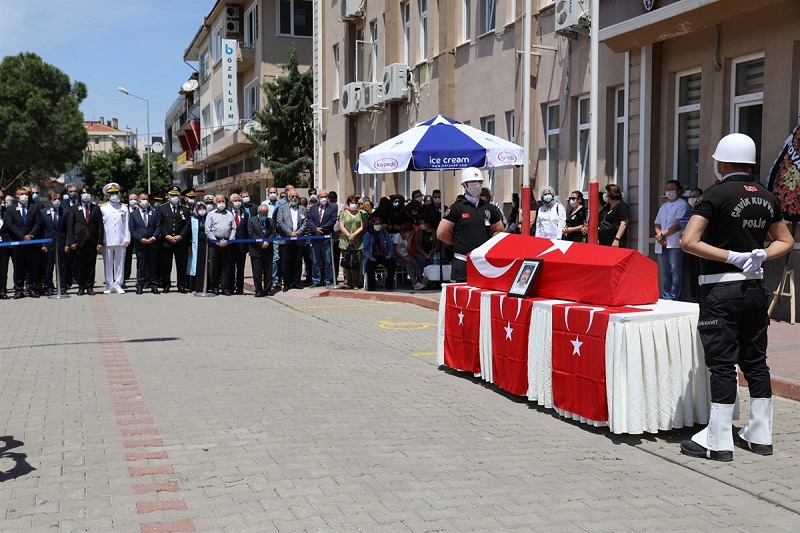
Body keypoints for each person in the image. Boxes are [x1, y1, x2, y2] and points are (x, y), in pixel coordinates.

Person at [679, 133, 794, 462]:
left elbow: (689, 240)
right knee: (756, 362)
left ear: (723, 162)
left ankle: (718, 440)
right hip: (755, 289)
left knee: (722, 364)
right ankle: (760, 434)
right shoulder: (767, 197)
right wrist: (760, 254)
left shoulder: (715, 195)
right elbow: (785, 240)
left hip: (721, 288)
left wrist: (730, 255)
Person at [437, 168, 504, 282]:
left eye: (479, 182)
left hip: (483, 261)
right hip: (462, 262)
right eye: (472, 182)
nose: (477, 185)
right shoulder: (457, 207)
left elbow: (499, 229)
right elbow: (441, 232)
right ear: (464, 184)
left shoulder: (488, 208)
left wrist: (489, 245)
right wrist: (454, 243)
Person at [653, 180, 689, 300]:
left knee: (675, 271)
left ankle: (673, 297)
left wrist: (663, 235)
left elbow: (678, 224)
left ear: (678, 191)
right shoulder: (664, 206)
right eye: (667, 189)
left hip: (674, 242)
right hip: (661, 242)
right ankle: (665, 295)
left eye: (672, 189)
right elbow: (657, 223)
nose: (669, 192)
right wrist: (659, 236)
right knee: (665, 272)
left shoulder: (682, 204)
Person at [67, 185, 104, 295]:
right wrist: (72, 242)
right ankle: (81, 286)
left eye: (87, 193)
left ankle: (89, 286)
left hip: (92, 241)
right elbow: (70, 226)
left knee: (91, 265)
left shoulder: (96, 208)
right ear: (80, 195)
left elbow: (100, 226)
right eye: (83, 193)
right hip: (79, 241)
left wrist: (99, 242)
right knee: (80, 265)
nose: (85, 195)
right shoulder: (74, 208)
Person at [6, 188, 42, 298]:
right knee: (18, 268)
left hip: (31, 242)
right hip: (17, 243)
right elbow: (10, 225)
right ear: (16, 196)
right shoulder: (10, 209)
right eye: (22, 194)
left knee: (32, 267)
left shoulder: (34, 207)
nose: (24, 196)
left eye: (26, 194)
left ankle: (32, 288)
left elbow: (38, 223)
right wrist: (22, 236)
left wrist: (30, 235)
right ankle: (18, 290)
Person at [158, 186, 191, 293]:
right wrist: (166, 236)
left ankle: (181, 284)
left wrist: (180, 236)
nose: (175, 197)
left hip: (180, 241)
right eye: (173, 195)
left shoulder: (184, 209)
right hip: (167, 241)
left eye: (176, 195)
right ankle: (166, 285)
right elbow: (160, 224)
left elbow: (187, 225)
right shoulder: (162, 208)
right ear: (168, 197)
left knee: (181, 264)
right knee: (166, 264)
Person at [99, 183, 131, 294]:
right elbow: (100, 226)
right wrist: (100, 240)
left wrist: (128, 238)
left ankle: (118, 284)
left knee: (120, 263)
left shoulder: (124, 208)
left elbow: (127, 224)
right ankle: (109, 285)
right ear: (107, 195)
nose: (114, 195)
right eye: (111, 194)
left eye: (116, 193)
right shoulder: (102, 208)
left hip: (121, 239)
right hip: (107, 239)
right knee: (108, 263)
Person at [274, 188, 307, 291]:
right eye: (292, 196)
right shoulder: (282, 208)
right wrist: (290, 233)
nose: (294, 198)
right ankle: (287, 283)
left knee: (297, 262)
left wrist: (297, 233)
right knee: (285, 262)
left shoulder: (302, 209)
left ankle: (296, 282)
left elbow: (305, 223)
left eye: (296, 196)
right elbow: (280, 222)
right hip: (286, 240)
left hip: (298, 239)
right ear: (288, 197)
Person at [129, 193, 161, 294]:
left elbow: (158, 227)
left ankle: (153, 285)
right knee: (141, 265)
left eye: (147, 199)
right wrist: (140, 238)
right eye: (143, 199)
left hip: (152, 243)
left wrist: (154, 237)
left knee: (153, 265)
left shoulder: (154, 212)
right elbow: (132, 229)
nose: (145, 201)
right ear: (138, 201)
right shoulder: (133, 214)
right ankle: (140, 285)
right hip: (140, 244)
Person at [205, 194, 236, 295]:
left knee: (226, 266)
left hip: (227, 242)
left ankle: (225, 287)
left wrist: (230, 240)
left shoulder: (230, 214)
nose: (221, 203)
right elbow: (208, 229)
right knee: (214, 266)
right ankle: (214, 287)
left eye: (223, 201)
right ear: (215, 203)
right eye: (219, 201)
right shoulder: (211, 214)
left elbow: (233, 228)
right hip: (214, 243)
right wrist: (216, 241)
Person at [306, 188, 337, 287]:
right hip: (315, 237)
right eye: (321, 197)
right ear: (318, 198)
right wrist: (315, 229)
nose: (324, 198)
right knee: (315, 260)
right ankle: (316, 280)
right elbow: (309, 219)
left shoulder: (333, 207)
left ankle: (328, 279)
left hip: (326, 238)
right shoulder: (313, 208)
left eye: (325, 197)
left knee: (327, 260)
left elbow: (332, 220)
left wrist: (322, 229)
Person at [40, 193, 68, 295]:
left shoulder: (65, 212)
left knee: (62, 266)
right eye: (54, 199)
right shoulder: (43, 212)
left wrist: (67, 244)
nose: (57, 200)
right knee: (48, 266)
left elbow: (67, 229)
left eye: (58, 199)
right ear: (50, 200)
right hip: (48, 243)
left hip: (61, 242)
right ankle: (49, 286)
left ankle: (62, 286)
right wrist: (43, 244)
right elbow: (41, 230)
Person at [363, 215, 396, 291]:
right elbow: (365, 249)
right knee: (370, 266)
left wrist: (389, 254)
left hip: (383, 255)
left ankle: (389, 283)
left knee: (392, 264)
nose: (378, 225)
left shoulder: (384, 232)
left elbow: (389, 244)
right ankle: (371, 285)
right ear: (372, 224)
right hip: (373, 255)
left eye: (379, 223)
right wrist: (370, 257)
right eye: (376, 224)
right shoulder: (368, 235)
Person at [338, 195, 365, 290]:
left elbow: (362, 226)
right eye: (351, 203)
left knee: (356, 263)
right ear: (348, 204)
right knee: (347, 263)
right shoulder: (344, 213)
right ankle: (348, 282)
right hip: (346, 242)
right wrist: (349, 235)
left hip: (357, 242)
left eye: (355, 202)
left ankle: (356, 283)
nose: (353, 204)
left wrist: (354, 234)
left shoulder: (360, 213)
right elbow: (341, 226)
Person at [247, 203, 274, 297]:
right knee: (257, 271)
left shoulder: (270, 221)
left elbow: (273, 233)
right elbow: (251, 233)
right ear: (258, 213)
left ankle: (267, 289)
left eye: (266, 214)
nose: (264, 216)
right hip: (256, 250)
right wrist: (261, 243)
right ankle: (258, 290)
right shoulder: (251, 221)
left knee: (268, 271)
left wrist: (267, 242)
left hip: (268, 249)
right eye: (262, 214)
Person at [682, 187, 704, 301]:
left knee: (700, 271)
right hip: (688, 248)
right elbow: (682, 229)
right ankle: (694, 296)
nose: (691, 199)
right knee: (692, 273)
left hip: (700, 247)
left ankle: (701, 296)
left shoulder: (702, 211)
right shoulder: (688, 212)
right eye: (690, 197)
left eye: (694, 197)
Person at [393, 222, 426, 290]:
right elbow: (396, 251)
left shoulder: (406, 238)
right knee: (409, 265)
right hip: (397, 256)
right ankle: (415, 283)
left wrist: (410, 238)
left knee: (415, 263)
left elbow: (407, 250)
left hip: (405, 254)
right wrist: (405, 258)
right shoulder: (397, 236)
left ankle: (421, 280)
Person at [228, 193, 250, 295]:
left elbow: (247, 229)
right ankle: (230, 288)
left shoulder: (245, 214)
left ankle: (239, 289)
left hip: (242, 245)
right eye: (235, 200)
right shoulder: (227, 213)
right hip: (230, 245)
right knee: (231, 267)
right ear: (231, 202)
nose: (238, 202)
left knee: (241, 268)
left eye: (239, 200)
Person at [186, 202, 208, 293]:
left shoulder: (208, 218)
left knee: (205, 265)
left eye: (203, 208)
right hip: (195, 245)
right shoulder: (192, 219)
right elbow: (188, 233)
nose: (202, 210)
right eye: (200, 208)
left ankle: (205, 286)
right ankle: (194, 287)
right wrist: (189, 246)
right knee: (195, 266)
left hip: (206, 245)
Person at [328, 191, 345, 283]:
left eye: (334, 201)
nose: (332, 203)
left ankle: (335, 276)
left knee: (336, 256)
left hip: (338, 235)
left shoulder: (341, 207)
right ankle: (329, 276)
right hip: (328, 235)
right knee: (329, 257)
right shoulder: (326, 206)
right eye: (331, 201)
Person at [123, 192, 139, 287]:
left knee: (140, 256)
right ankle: (125, 276)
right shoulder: (125, 209)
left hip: (137, 236)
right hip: (128, 236)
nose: (133, 201)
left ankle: (141, 277)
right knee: (126, 257)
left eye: (135, 199)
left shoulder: (140, 209)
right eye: (131, 199)